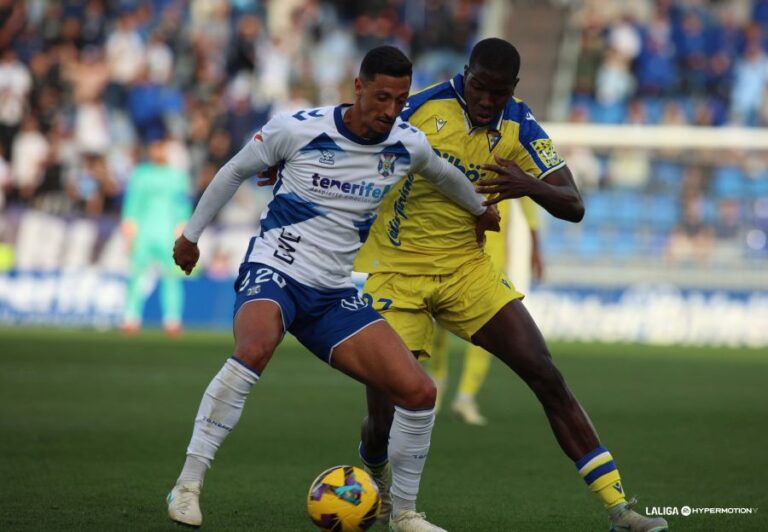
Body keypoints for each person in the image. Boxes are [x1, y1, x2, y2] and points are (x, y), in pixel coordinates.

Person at [165, 46, 501, 532]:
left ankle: (403, 514)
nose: (391, 110)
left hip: (333, 293)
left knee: (419, 391)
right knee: (255, 347)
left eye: (401, 100)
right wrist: (191, 235)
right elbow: (235, 170)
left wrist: (479, 209)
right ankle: (188, 484)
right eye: (382, 97)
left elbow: (445, 175)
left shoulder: (407, 144)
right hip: (276, 270)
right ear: (358, 87)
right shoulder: (296, 128)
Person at [353, 38, 669, 532]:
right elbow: (351, 134)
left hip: (466, 270)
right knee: (384, 417)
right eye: (479, 88)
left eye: (497, 93)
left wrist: (530, 185)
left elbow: (574, 203)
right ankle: (371, 481)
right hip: (397, 272)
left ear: (512, 89)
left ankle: (619, 508)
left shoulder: (520, 124)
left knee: (545, 373)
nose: (485, 101)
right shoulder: (417, 109)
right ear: (466, 75)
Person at [428, 197, 543, 426]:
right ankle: (436, 384)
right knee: (437, 321)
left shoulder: (507, 166)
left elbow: (529, 206)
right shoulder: (460, 163)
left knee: (491, 329)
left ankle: (465, 397)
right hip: (455, 253)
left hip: (491, 262)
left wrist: (535, 248)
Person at [121, 126, 191, 335]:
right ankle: (130, 318)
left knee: (171, 278)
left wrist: (182, 234)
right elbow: (132, 206)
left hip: (168, 233)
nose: (157, 151)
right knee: (136, 276)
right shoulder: (140, 174)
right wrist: (129, 231)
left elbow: (182, 208)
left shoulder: (177, 176)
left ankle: (172, 320)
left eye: (161, 147)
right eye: (154, 148)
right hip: (143, 233)